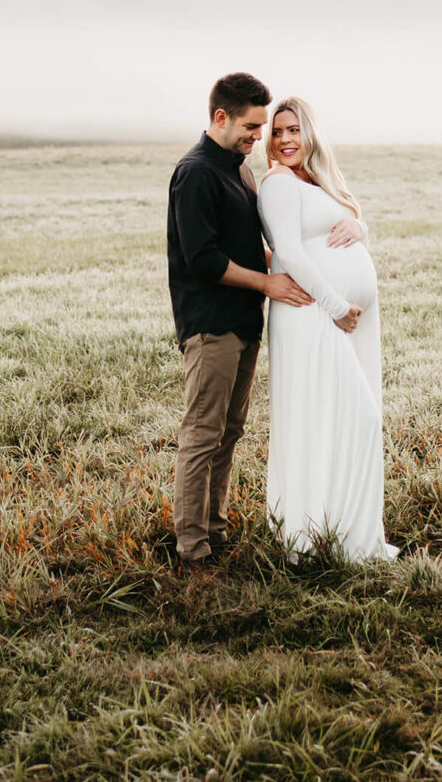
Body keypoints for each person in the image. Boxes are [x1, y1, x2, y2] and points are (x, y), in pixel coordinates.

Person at [165, 72, 312, 567]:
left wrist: (294, 264)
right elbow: (203, 258)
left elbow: (245, 246)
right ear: (221, 117)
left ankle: (214, 529)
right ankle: (192, 548)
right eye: (252, 127)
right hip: (211, 326)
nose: (259, 136)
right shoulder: (196, 173)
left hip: (245, 323)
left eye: (262, 126)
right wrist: (268, 284)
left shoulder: (241, 171)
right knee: (202, 435)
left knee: (229, 432)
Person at [258, 96, 398, 562]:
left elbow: (347, 220)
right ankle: (316, 538)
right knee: (344, 419)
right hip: (312, 314)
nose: (284, 140)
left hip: (334, 317)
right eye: (277, 132)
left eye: (293, 130)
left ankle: (341, 533)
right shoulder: (278, 182)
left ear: (310, 132)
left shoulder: (314, 179)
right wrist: (337, 306)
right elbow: (289, 252)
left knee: (336, 420)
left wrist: (360, 229)